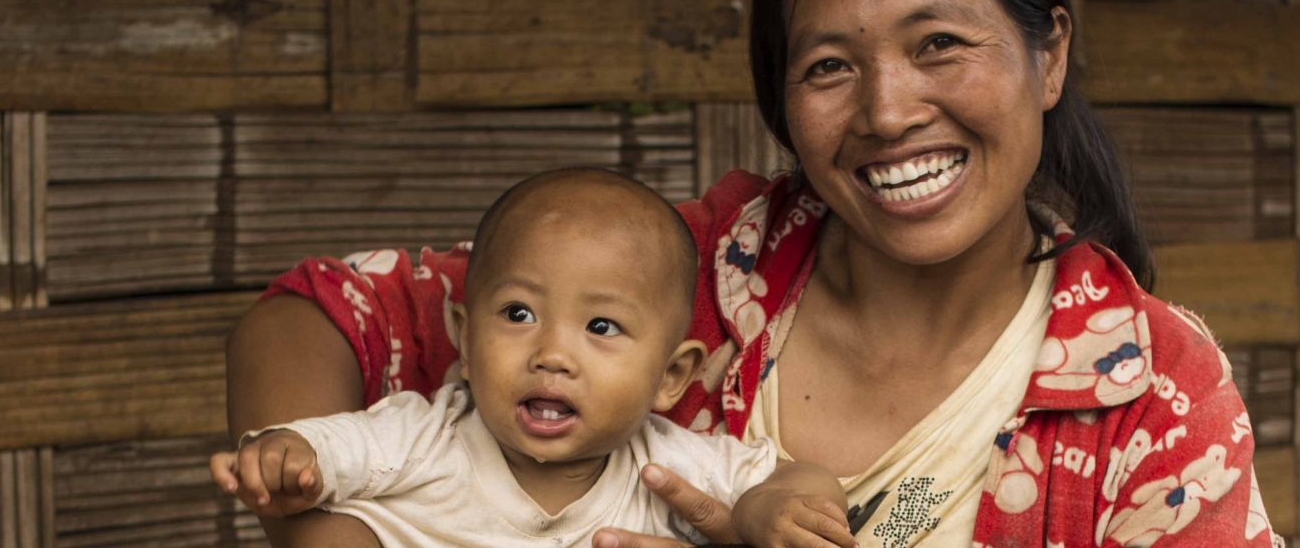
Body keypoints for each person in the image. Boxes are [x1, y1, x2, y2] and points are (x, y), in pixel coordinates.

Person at [228, 0, 1281, 548]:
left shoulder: (1148, 397)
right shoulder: (684, 276)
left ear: (1048, 56)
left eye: (940, 44)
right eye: (828, 66)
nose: (886, 111)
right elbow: (321, 312)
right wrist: (329, 530)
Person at [211, 168, 853, 548]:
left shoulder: (671, 466)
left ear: (670, 376)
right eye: (518, 314)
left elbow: (802, 482)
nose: (552, 354)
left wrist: (766, 511)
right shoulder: (421, 437)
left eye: (601, 326)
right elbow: (323, 452)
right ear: (465, 339)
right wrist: (283, 455)